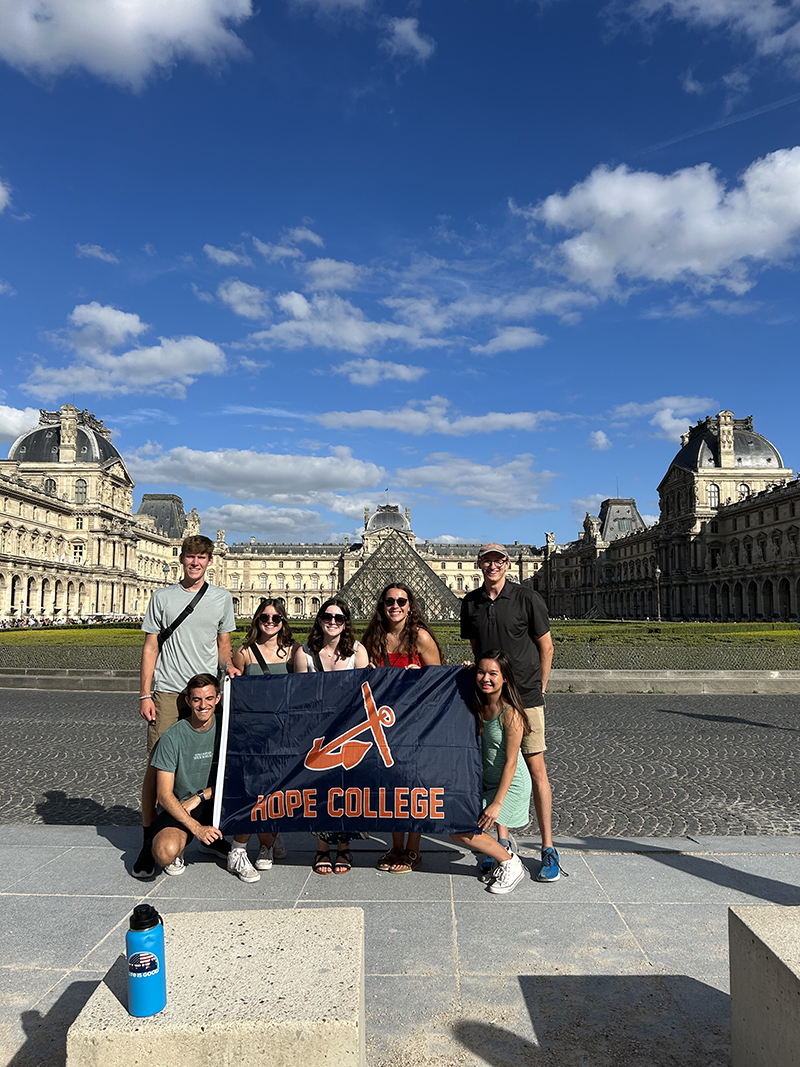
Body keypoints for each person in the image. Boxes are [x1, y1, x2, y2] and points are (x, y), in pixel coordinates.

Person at [133, 534, 240, 879]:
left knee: (215, 762)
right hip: (167, 691)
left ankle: (209, 826)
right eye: (190, 557)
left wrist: (230, 667)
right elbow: (150, 647)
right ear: (182, 559)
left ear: (211, 561)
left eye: (201, 557)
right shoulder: (162, 597)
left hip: (205, 695)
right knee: (155, 767)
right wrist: (144, 694)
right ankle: (149, 838)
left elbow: (224, 646)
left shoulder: (222, 599)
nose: (195, 562)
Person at [460, 542, 562, 883]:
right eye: (487, 561)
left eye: (498, 561)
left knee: (536, 770)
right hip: (490, 696)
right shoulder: (470, 602)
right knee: (494, 765)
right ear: (479, 565)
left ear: (507, 565)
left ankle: (548, 847)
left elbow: (546, 645)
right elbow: (476, 648)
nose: (493, 566)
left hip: (526, 696)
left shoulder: (527, 598)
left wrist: (540, 688)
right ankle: (500, 844)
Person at [362, 583, 443, 874]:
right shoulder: (374, 637)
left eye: (401, 601)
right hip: (385, 720)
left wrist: (419, 676)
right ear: (382, 605)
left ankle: (414, 848)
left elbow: (439, 678)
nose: (395, 606)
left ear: (410, 605)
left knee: (413, 782)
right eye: (389, 601)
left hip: (416, 719)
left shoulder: (420, 637)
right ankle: (396, 845)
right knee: (391, 782)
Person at [226, 599, 301, 880]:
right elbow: (235, 689)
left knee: (279, 786)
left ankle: (271, 835)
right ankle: (246, 846)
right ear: (257, 619)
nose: (270, 621)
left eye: (276, 617)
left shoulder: (294, 652)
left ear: (284, 621)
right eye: (265, 617)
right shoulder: (244, 652)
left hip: (283, 731)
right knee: (255, 787)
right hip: (253, 732)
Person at [294, 597, 369, 874]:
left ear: (346, 622)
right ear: (320, 619)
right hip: (317, 732)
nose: (333, 622)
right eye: (328, 616)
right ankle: (322, 848)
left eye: (339, 618)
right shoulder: (304, 653)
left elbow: (365, 692)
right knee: (320, 790)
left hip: (349, 730)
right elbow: (299, 696)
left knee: (348, 789)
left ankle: (344, 847)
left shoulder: (358, 652)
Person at [149, 674, 225, 878]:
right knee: (165, 854)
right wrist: (197, 829)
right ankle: (185, 841)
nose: (203, 705)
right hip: (182, 805)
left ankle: (237, 849)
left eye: (209, 698)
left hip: (216, 800)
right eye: (197, 699)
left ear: (218, 698)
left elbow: (240, 778)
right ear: (188, 701)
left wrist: (201, 796)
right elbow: (164, 795)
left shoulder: (227, 727)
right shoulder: (172, 736)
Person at [473, 649, 533, 883]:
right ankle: (502, 851)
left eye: (493, 673)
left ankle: (510, 863)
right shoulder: (479, 703)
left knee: (462, 826)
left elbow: (511, 762)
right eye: (480, 672)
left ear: (505, 677)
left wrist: (498, 804)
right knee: (464, 819)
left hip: (512, 786)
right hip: (490, 783)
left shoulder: (511, 714)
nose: (485, 678)